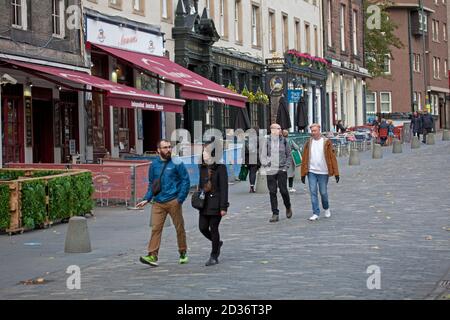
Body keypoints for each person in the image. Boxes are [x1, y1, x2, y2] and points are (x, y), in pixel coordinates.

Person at [136, 139, 191, 267]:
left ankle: (182, 252)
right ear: (158, 151)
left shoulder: (176, 162)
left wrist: (180, 199)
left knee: (179, 228)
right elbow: (152, 184)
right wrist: (146, 198)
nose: (168, 150)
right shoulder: (154, 165)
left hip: (174, 201)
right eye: (165, 148)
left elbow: (185, 180)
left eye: (169, 147)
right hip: (158, 202)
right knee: (156, 229)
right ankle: (152, 255)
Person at [197, 141, 229, 266]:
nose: (203, 153)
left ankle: (214, 255)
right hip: (204, 203)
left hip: (216, 203)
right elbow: (200, 185)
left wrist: (223, 207)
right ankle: (217, 242)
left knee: (214, 228)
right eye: (203, 151)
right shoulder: (202, 167)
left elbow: (224, 188)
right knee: (202, 227)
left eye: (206, 151)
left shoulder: (221, 167)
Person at [300, 123, 340, 221]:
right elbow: (304, 158)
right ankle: (315, 213)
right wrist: (303, 173)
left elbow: (332, 158)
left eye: (315, 131)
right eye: (312, 131)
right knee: (313, 192)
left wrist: (336, 173)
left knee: (323, 192)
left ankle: (326, 208)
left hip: (323, 172)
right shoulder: (308, 143)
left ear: (319, 131)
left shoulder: (326, 142)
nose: (313, 133)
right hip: (311, 171)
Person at [261, 123, 293, 222]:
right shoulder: (266, 141)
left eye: (280, 128)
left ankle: (288, 206)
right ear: (272, 130)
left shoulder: (284, 141)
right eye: (278, 128)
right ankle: (275, 213)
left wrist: (286, 167)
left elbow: (289, 155)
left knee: (283, 190)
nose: (280, 130)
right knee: (272, 191)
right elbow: (263, 155)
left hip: (281, 169)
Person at [243, 127, 261, 193]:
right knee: (253, 172)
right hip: (255, 158)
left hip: (247, 159)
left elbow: (243, 150)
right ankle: (252, 187)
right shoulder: (258, 139)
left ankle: (251, 186)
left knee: (250, 172)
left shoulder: (246, 139)